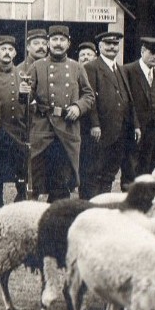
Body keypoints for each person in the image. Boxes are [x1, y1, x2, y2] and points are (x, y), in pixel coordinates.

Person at [22, 25, 95, 202]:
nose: (58, 44)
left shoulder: (76, 67)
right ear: (48, 43)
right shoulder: (37, 66)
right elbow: (26, 97)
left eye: (62, 40)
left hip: (67, 131)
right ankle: (33, 216)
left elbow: (89, 95)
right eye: (54, 40)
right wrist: (23, 92)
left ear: (68, 44)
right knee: (36, 180)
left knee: (61, 180)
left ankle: (56, 216)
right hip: (43, 129)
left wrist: (78, 107)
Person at [79, 30, 140, 198]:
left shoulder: (120, 69)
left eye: (115, 44)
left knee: (109, 173)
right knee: (93, 172)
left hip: (119, 131)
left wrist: (135, 125)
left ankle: (102, 203)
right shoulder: (91, 68)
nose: (112, 47)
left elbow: (129, 99)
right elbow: (89, 98)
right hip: (100, 132)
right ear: (100, 46)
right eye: (108, 44)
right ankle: (89, 206)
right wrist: (94, 124)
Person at [0, 35, 30, 208]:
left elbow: (28, 106)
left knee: (21, 173)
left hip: (16, 131)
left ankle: (20, 204)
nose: (7, 52)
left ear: (15, 53)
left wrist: (24, 94)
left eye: (10, 49)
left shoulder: (22, 76)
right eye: (3, 49)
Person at [121, 37, 155, 187]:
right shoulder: (128, 70)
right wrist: (134, 124)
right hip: (134, 128)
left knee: (148, 165)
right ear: (142, 51)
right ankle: (129, 196)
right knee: (131, 166)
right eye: (153, 53)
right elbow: (126, 101)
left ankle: (144, 196)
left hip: (152, 129)